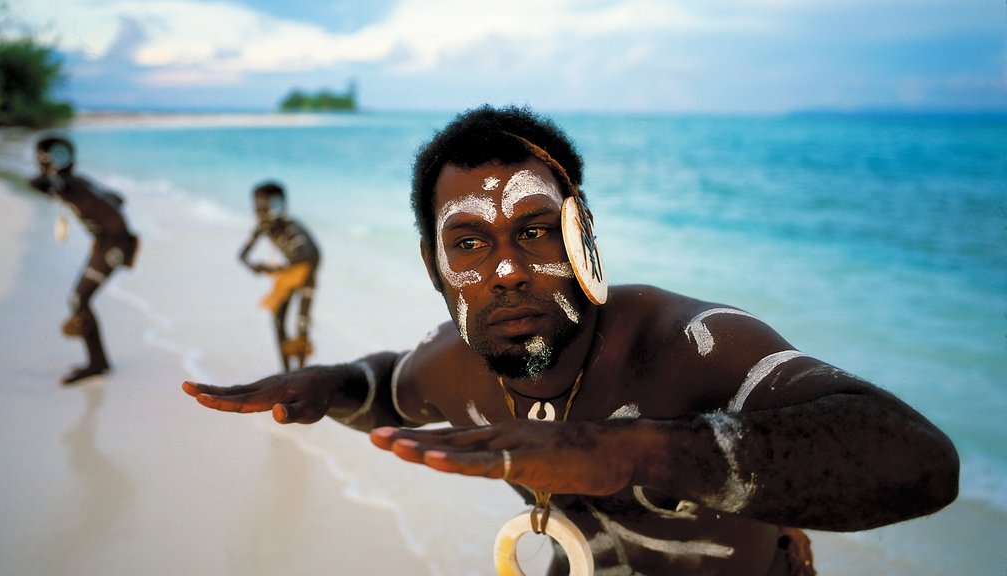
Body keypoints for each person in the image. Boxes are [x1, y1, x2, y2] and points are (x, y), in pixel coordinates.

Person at [183, 106, 958, 575]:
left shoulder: (689, 346)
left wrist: (634, 452)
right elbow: (391, 390)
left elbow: (921, 463)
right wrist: (331, 384)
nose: (509, 270)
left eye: (532, 231)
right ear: (435, 267)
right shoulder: (457, 368)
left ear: (583, 237)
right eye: (472, 246)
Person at [30, 135, 140, 385]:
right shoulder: (78, 181)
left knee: (79, 299)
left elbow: (40, 183)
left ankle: (97, 363)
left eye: (39, 158)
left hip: (114, 246)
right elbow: (118, 198)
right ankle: (98, 361)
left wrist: (52, 175)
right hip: (110, 243)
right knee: (80, 300)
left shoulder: (66, 184)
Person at [238, 181, 321, 372]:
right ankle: (285, 372)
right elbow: (242, 255)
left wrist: (270, 269)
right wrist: (255, 266)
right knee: (277, 319)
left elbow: (308, 255)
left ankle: (299, 373)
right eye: (258, 207)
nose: (261, 212)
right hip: (288, 274)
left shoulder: (291, 229)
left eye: (266, 207)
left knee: (302, 322)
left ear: (280, 206)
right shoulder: (264, 227)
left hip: (307, 273)